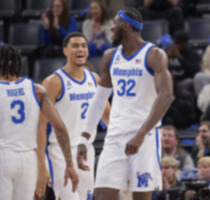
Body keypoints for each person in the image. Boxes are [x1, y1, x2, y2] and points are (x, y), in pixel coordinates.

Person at [77, 8, 173, 200]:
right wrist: (84, 137)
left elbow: (166, 96)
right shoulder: (110, 56)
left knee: (140, 197)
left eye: (115, 23)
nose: (111, 28)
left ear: (126, 26)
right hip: (115, 135)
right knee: (102, 194)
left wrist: (140, 134)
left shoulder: (154, 54)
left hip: (143, 137)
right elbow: (98, 100)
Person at [36, 32, 110, 200]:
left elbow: (108, 116)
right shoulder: (54, 82)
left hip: (86, 151)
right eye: (75, 46)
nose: (80, 49)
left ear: (88, 51)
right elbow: (40, 125)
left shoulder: (95, 79)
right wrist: (41, 163)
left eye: (83, 45)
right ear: (65, 51)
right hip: (60, 152)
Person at [0, 44, 79, 199]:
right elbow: (60, 128)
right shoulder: (37, 90)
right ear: (19, 64)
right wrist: (69, 163)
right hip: (29, 159)